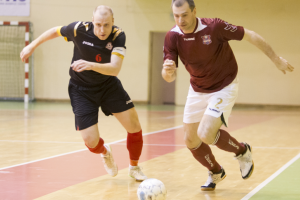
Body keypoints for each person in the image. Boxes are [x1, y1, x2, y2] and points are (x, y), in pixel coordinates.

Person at [162, 0, 294, 191]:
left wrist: (276, 59)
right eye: (176, 16)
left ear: (194, 11)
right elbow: (168, 77)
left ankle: (242, 151)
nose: (180, 20)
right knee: (190, 140)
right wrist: (168, 71)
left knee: (206, 134)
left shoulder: (214, 27)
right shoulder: (172, 37)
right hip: (198, 89)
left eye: (184, 15)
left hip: (224, 85)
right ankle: (216, 171)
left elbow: (251, 35)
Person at [20, 5, 147, 181]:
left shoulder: (118, 35)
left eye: (107, 25)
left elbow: (115, 68)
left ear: (113, 23)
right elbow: (55, 31)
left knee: (134, 125)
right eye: (98, 24)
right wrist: (32, 46)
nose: (102, 30)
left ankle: (134, 167)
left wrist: (90, 65)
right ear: (92, 21)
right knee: (91, 142)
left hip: (108, 85)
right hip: (81, 90)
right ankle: (105, 152)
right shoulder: (79, 29)